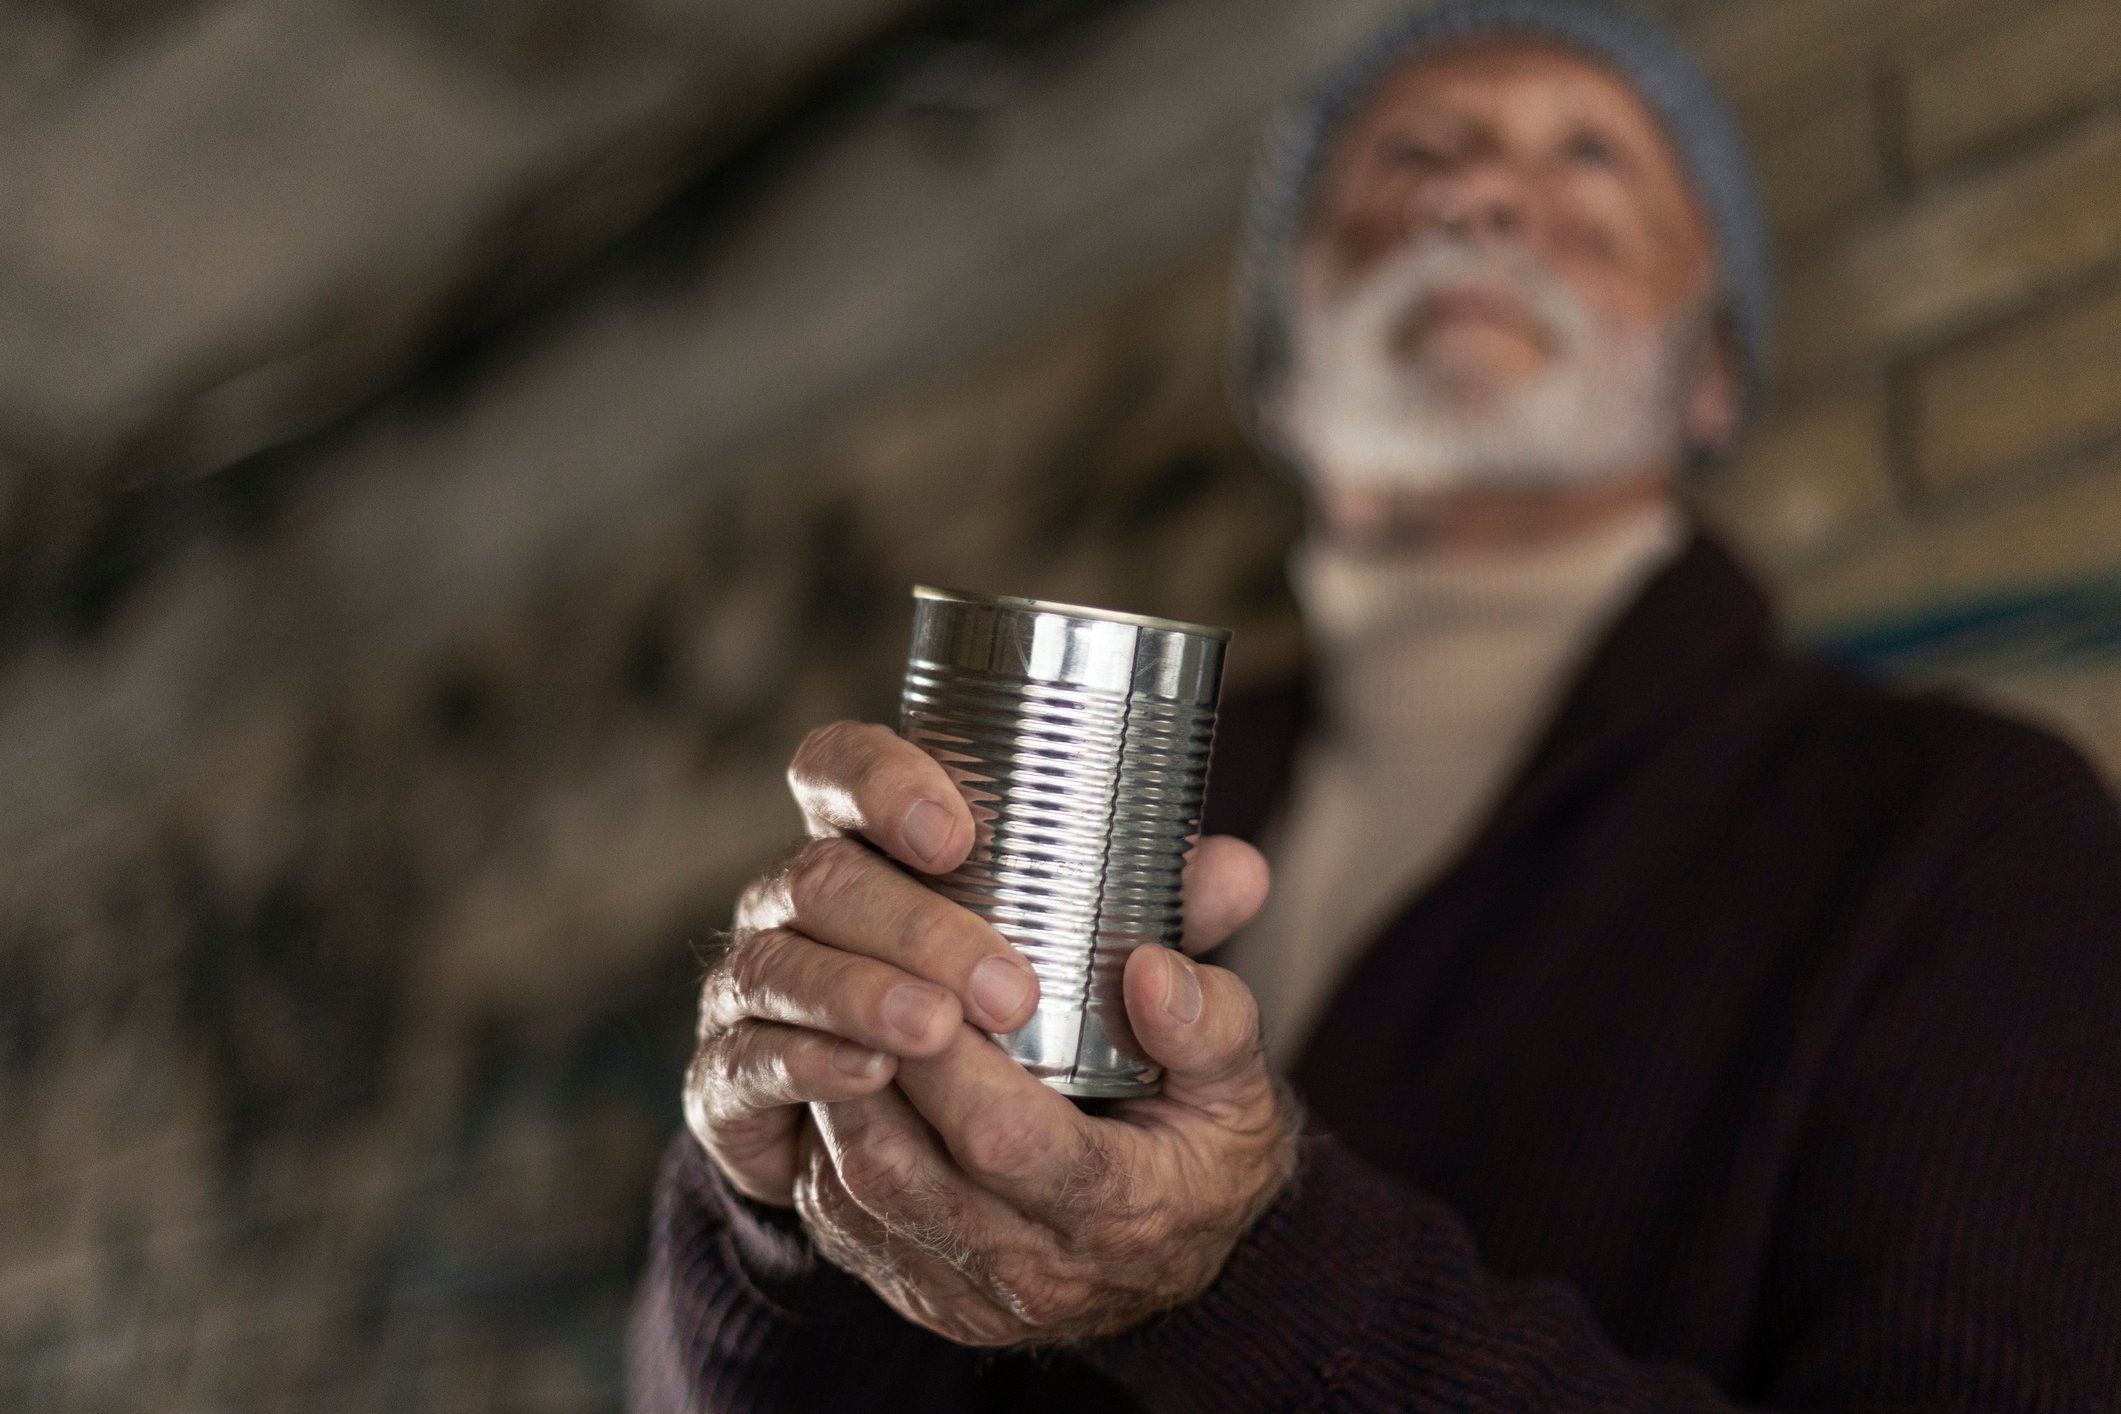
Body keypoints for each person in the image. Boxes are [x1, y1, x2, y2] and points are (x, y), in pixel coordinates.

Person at [629, 2, 2121, 1409]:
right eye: (1410, 157)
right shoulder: (1090, 801)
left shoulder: (1957, 821)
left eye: (1584, 155)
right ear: (1279, 377)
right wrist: (779, 1210)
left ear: (1715, 372)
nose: (1476, 196)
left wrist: (1251, 1277)